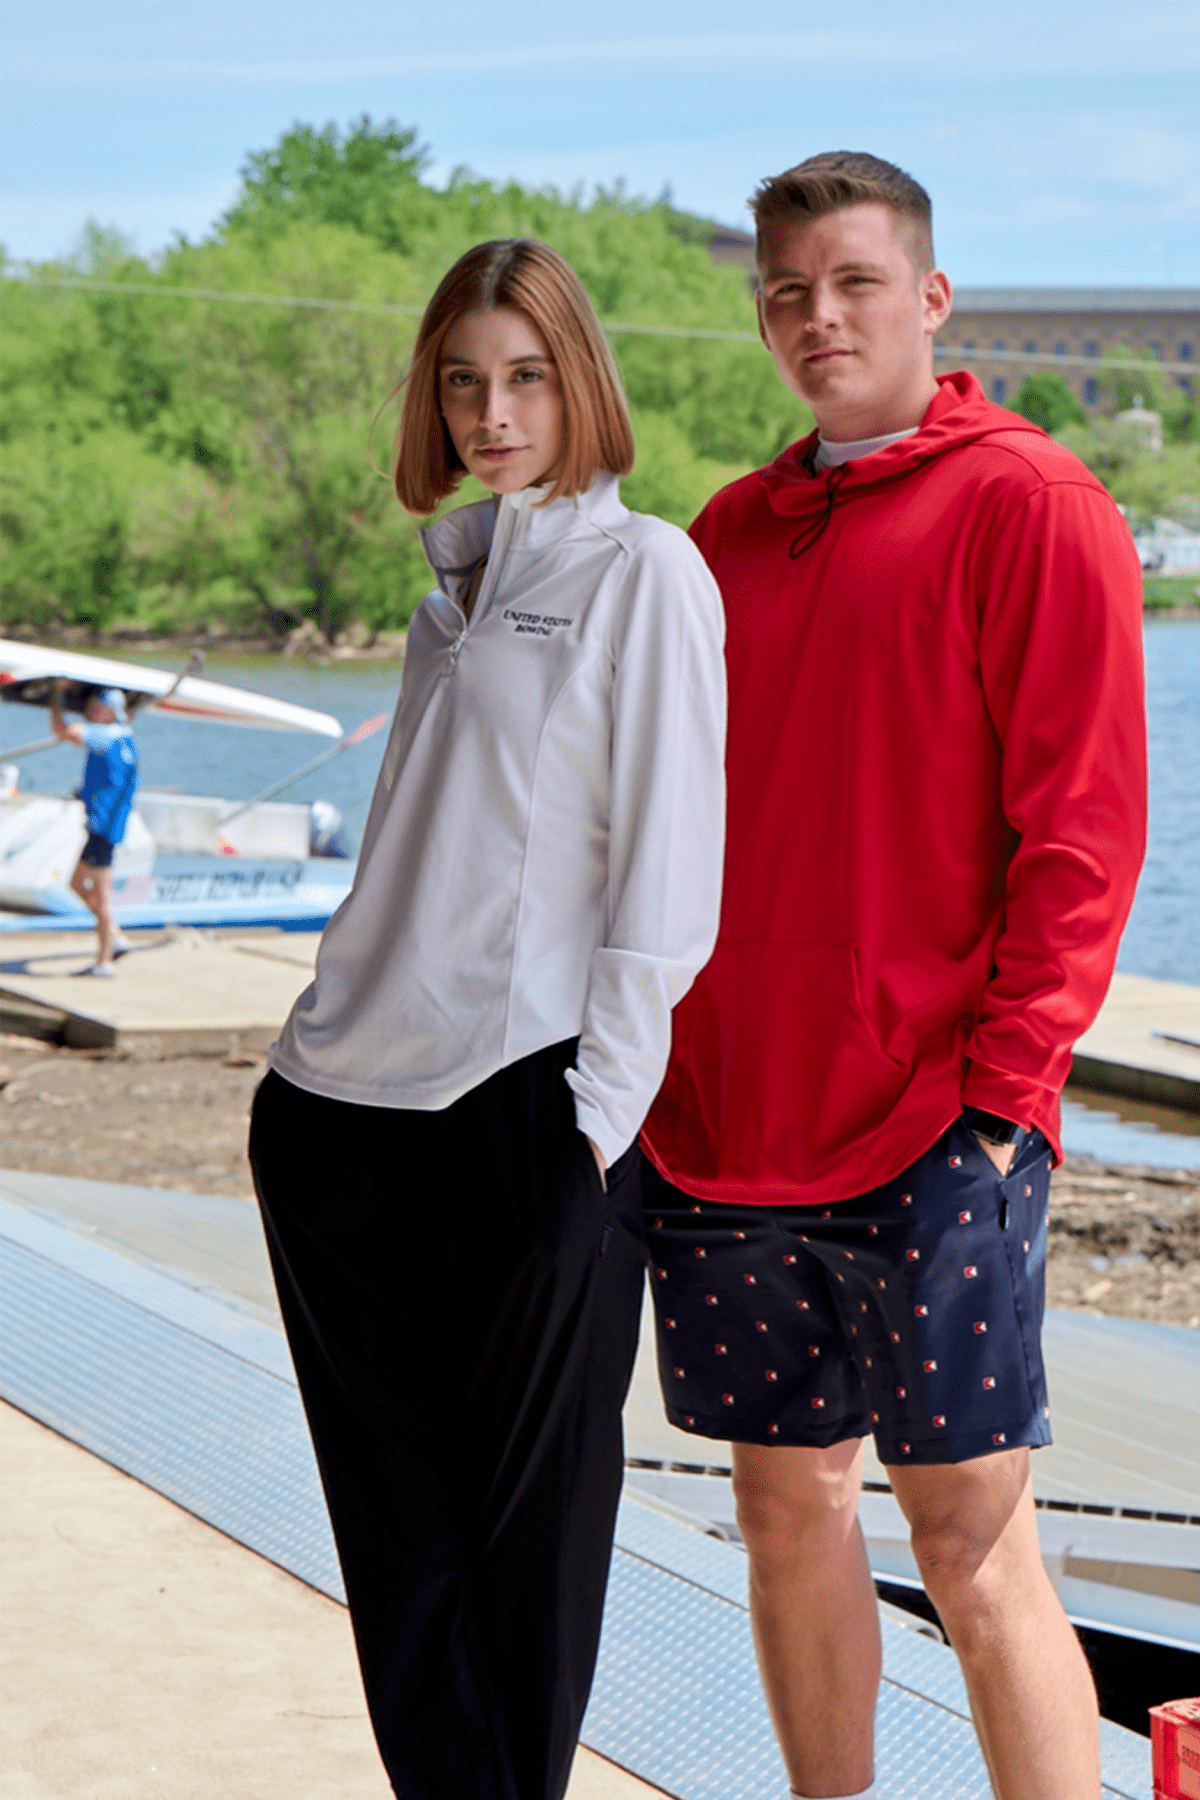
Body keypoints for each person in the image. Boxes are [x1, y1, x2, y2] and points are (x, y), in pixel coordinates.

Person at [640, 152, 1146, 1800]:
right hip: (732, 1120)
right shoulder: (731, 531)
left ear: (931, 298)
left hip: (939, 1120)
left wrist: (1007, 1096)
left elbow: (1085, 832)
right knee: (783, 1511)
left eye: (856, 282)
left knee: (970, 1542)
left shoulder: (1033, 503)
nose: (821, 317)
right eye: (788, 292)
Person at [248, 238, 726, 1800]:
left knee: (526, 1565)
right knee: (401, 1555)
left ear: (581, 380)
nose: (491, 412)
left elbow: (667, 875)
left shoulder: (644, 572)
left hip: (521, 1113)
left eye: (524, 376)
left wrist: (593, 1127)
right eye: (462, 382)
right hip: (336, 1115)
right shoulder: (449, 595)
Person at [50, 683, 138, 976]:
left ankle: (105, 961)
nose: (89, 712)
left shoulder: (104, 735)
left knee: (102, 897)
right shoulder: (125, 736)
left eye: (95, 707)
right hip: (107, 826)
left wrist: (57, 697)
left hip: (103, 828)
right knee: (77, 884)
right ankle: (114, 936)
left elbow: (64, 731)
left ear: (108, 710)